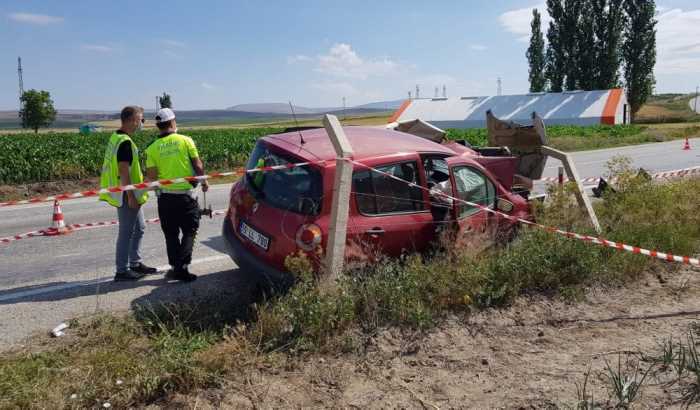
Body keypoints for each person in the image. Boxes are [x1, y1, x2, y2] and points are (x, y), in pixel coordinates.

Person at [145, 108, 208, 282]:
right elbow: (197, 164)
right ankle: (183, 267)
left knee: (170, 234)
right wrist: (204, 182)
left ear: (158, 126)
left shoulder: (151, 149)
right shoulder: (186, 140)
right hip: (186, 196)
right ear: (173, 123)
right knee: (190, 230)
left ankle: (175, 267)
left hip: (165, 198)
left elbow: (151, 176)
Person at [99, 106, 158, 281]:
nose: (142, 123)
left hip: (127, 191)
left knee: (139, 227)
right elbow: (123, 170)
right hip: (126, 193)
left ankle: (135, 263)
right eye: (141, 119)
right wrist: (131, 195)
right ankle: (122, 270)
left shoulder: (117, 137)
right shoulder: (124, 142)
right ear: (132, 120)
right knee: (126, 232)